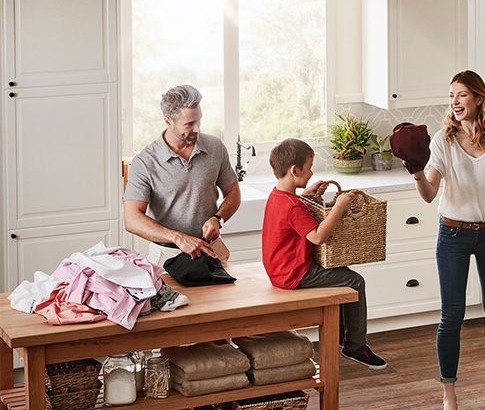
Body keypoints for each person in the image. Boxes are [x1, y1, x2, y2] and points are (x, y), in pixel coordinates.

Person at [405, 70, 485, 410]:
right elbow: (429, 195)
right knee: (451, 317)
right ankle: (449, 400)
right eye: (451, 96)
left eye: (462, 96)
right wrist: (416, 171)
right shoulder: (443, 141)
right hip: (453, 234)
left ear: (479, 99)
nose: (454, 102)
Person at [261, 138, 387, 369]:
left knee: (341, 275)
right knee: (354, 281)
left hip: (279, 269)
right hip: (294, 273)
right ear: (294, 170)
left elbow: (294, 211)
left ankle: (340, 336)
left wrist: (307, 194)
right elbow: (318, 237)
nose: (311, 172)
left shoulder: (278, 196)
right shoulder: (293, 206)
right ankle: (355, 346)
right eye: (308, 168)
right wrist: (338, 207)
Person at [123, 84, 241, 267]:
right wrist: (178, 238)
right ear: (168, 121)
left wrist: (218, 218)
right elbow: (131, 219)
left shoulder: (215, 147)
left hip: (213, 252)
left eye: (199, 121)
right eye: (189, 124)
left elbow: (233, 192)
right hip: (167, 258)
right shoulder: (145, 162)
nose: (197, 129)